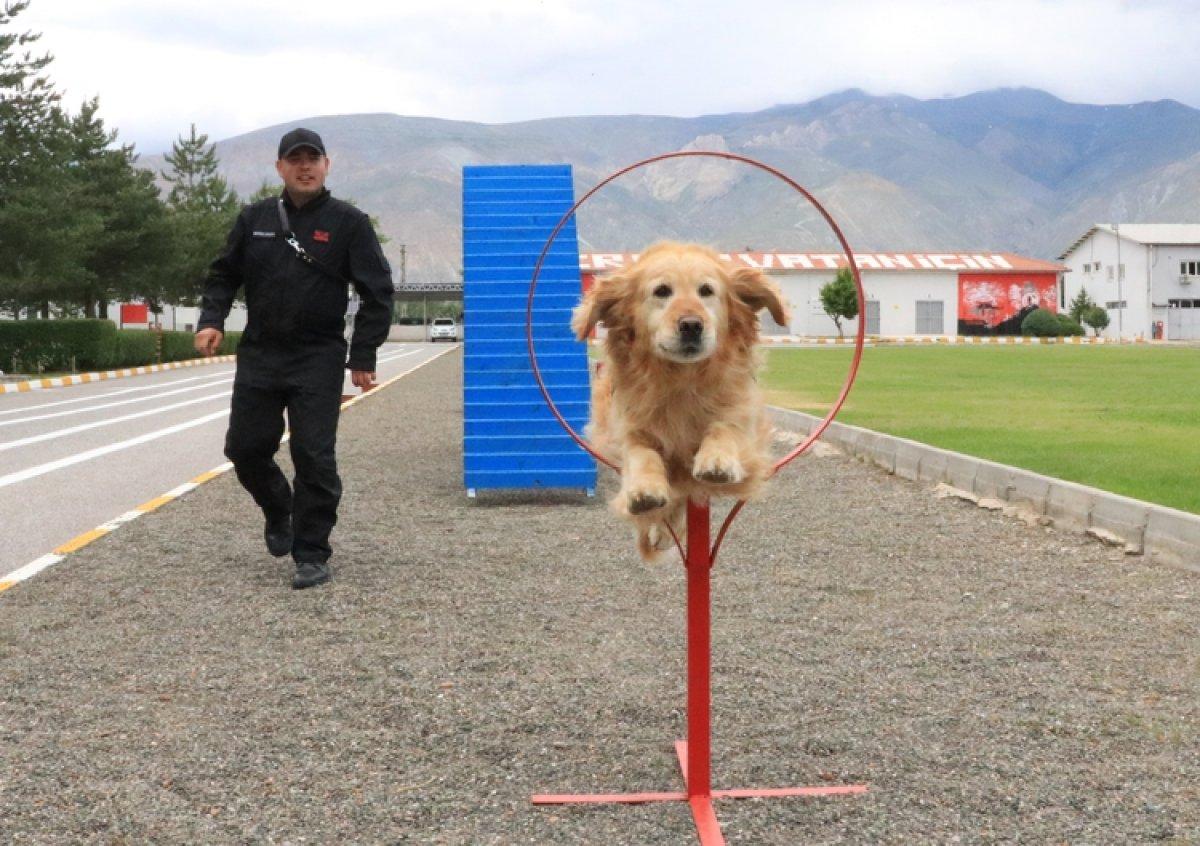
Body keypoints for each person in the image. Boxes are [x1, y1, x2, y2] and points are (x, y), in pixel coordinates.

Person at [194, 127, 394, 589]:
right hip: (261, 353)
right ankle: (276, 507)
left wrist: (362, 354)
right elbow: (223, 276)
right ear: (280, 167)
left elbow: (377, 293)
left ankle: (311, 552)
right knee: (244, 449)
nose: (305, 167)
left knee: (314, 455)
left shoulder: (350, 223)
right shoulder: (254, 219)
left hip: (318, 355)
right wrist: (211, 320)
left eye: (313, 158)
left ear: (327, 165)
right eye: (295, 159)